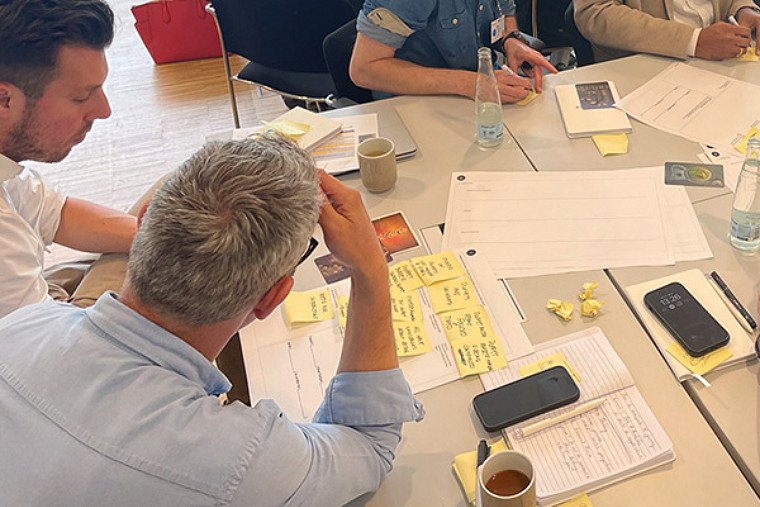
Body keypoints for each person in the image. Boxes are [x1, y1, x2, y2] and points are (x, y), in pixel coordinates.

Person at [0, 136, 424, 505]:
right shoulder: (240, 461)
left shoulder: (19, 327)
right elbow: (370, 447)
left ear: (144, 219)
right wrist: (370, 270)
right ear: (271, 299)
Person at [0, 0, 138, 318]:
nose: (104, 111)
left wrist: (161, 237)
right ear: (4, 99)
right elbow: (48, 353)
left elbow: (54, 214)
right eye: (81, 97)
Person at [349, 0, 558, 103]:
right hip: (416, 105)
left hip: (480, 95)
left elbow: (505, 12)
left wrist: (511, 40)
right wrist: (469, 83)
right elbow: (364, 69)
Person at [574, 0, 760, 62]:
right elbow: (593, 11)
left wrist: (743, 9)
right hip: (644, 67)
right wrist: (694, 41)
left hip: (722, 61)